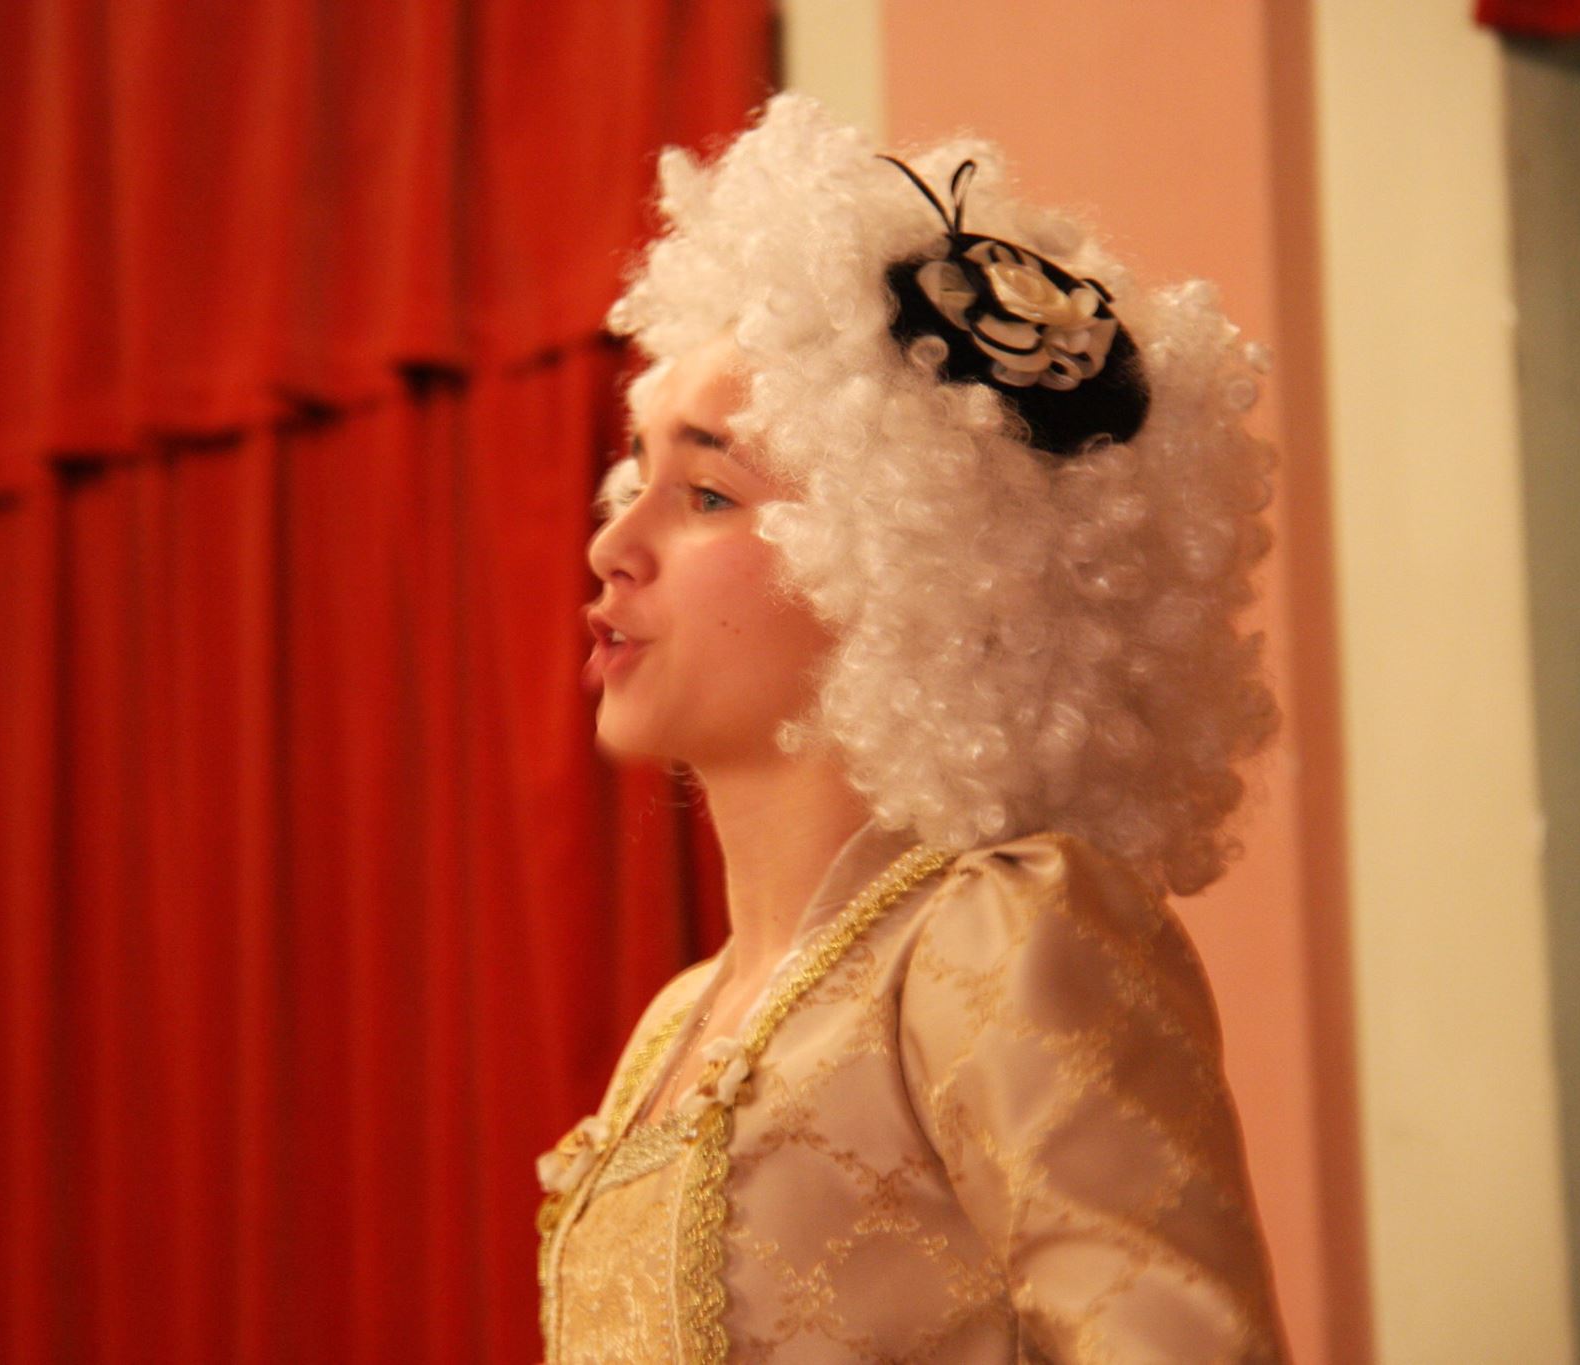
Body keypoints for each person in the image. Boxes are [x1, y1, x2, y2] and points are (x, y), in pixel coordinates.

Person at [537, 94, 1287, 1363]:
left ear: (914, 562)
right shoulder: (673, 1026)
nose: (614, 543)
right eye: (635, 476)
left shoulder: (1000, 937)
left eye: (706, 492)